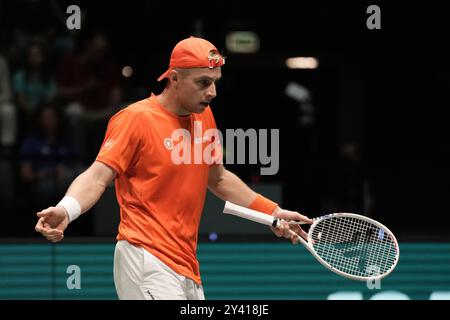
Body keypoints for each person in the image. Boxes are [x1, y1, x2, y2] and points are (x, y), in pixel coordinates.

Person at [34, 36, 313, 300]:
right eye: (203, 82)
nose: (212, 92)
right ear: (175, 78)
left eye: (215, 82)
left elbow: (218, 178)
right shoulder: (136, 118)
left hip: (186, 265)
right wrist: (66, 209)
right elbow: (97, 176)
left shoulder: (204, 117)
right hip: (146, 257)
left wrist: (272, 212)